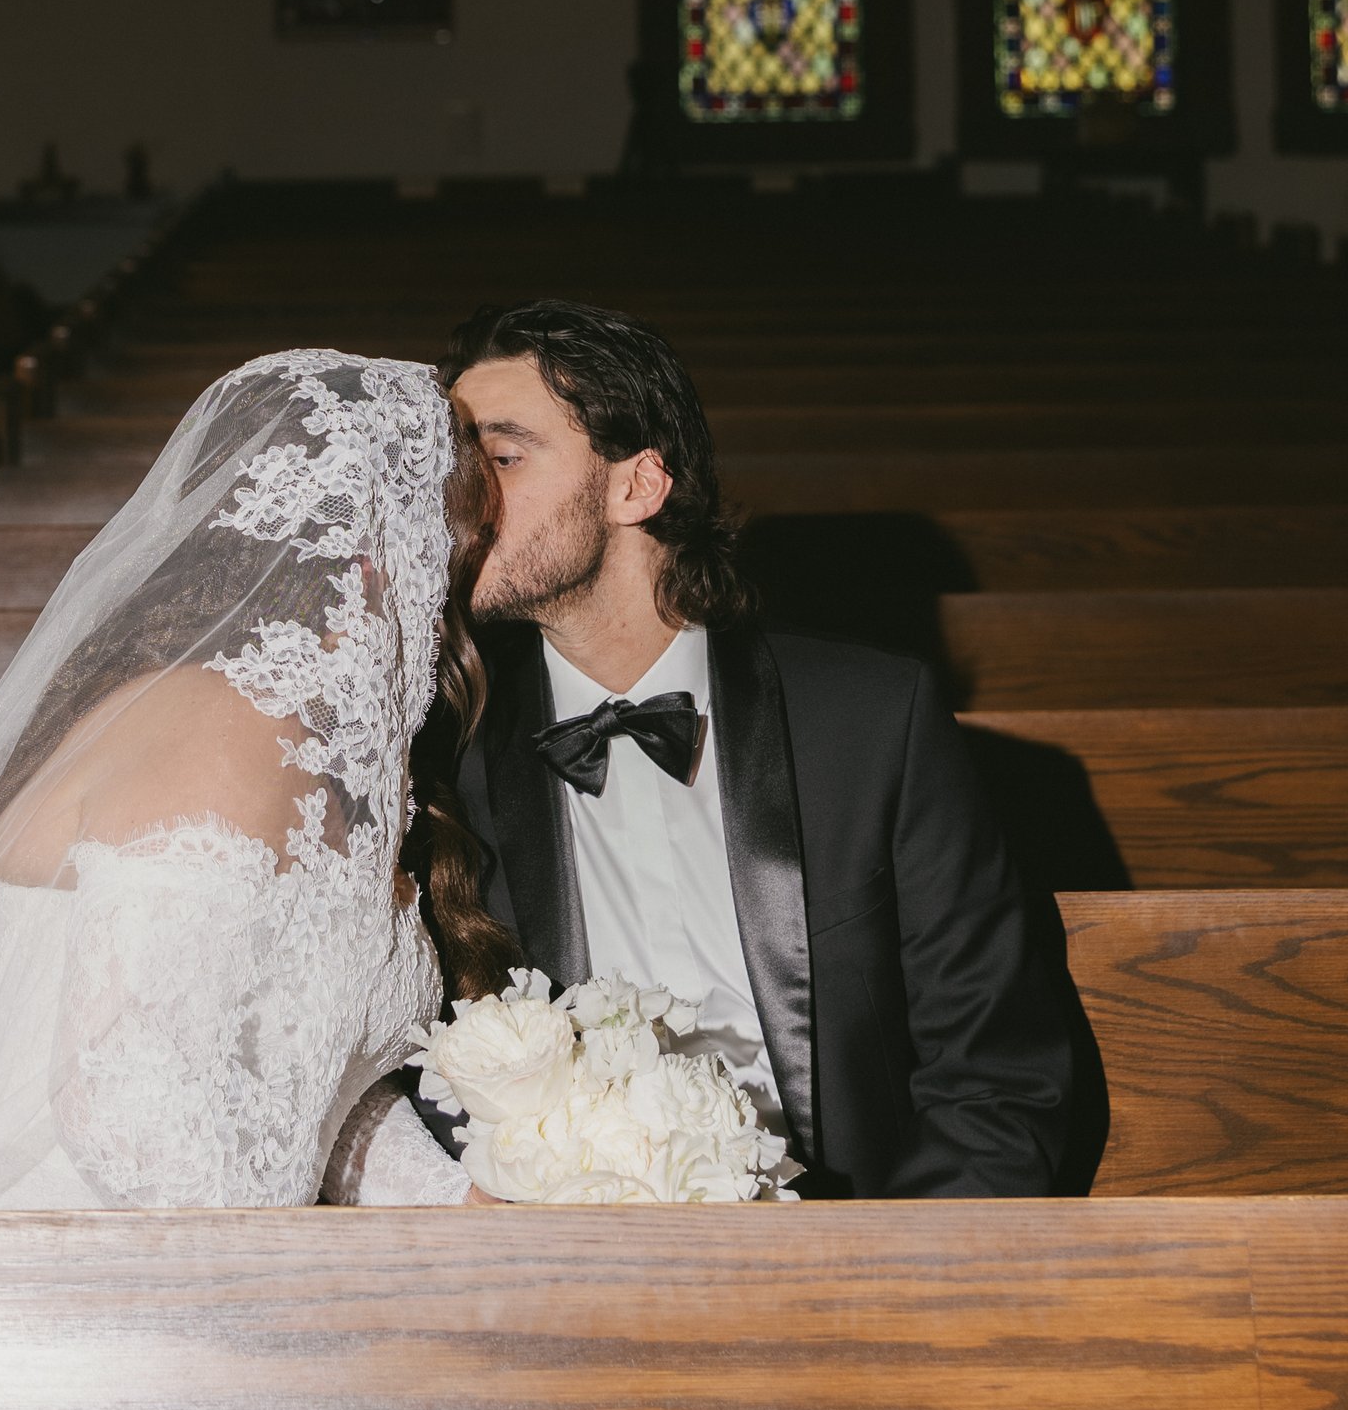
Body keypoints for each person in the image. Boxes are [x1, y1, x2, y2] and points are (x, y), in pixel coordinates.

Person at [0, 352, 511, 1213]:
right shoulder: (218, 731)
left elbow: (321, 1096)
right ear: (380, 564)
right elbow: (134, 1129)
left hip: (203, 1235)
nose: (462, 609)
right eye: (458, 561)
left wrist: (469, 1207)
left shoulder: (323, 759)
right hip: (34, 1251)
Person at [356, 299, 1076, 1203]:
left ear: (637, 485)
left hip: (862, 1271)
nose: (460, 499)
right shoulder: (436, 758)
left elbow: (997, 1082)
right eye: (458, 468)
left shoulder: (873, 723)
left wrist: (892, 1300)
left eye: (502, 459)